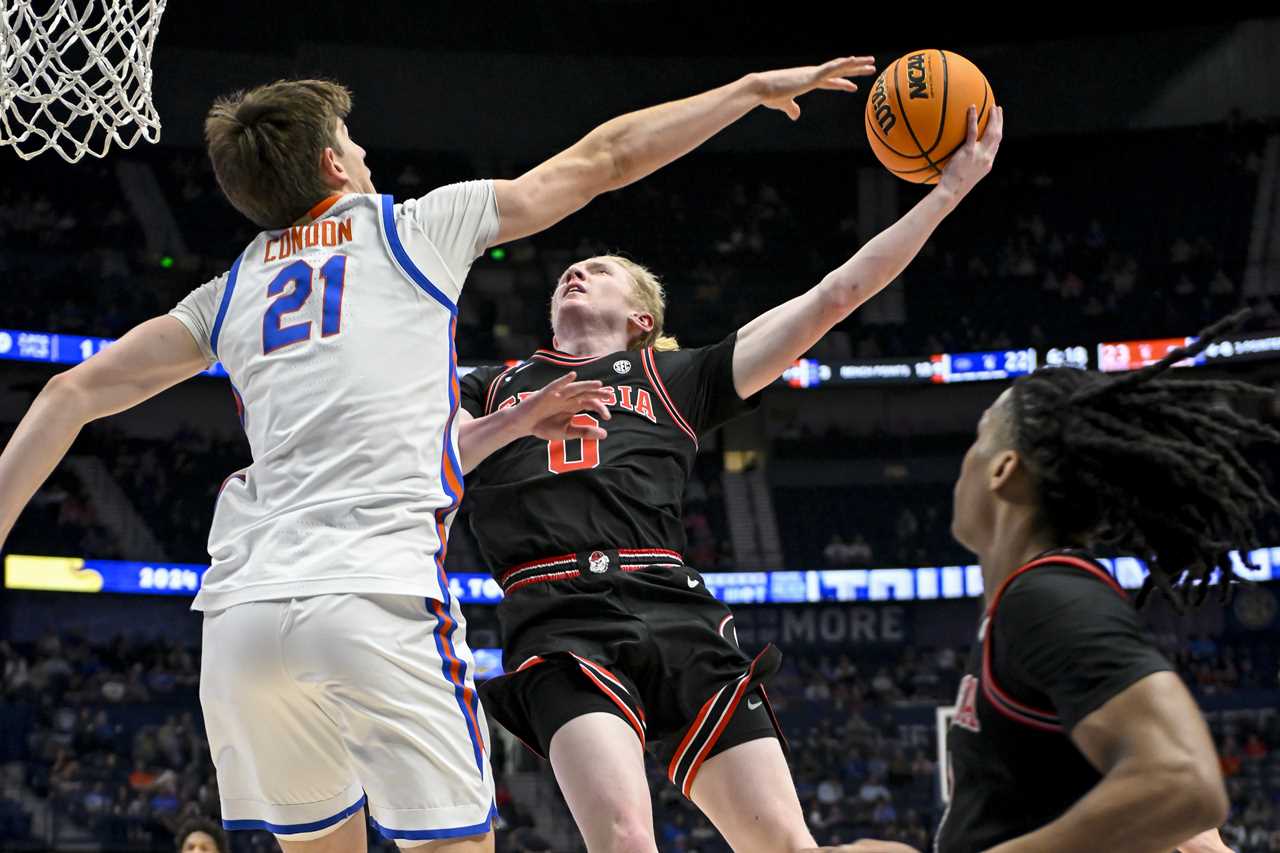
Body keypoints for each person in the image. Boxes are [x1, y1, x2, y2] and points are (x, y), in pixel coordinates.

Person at [0, 58, 875, 853]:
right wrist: (744, 92)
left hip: (237, 620)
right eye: (352, 139)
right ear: (335, 167)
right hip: (371, 597)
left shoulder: (224, 292)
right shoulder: (410, 226)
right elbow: (604, 159)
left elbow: (66, 394)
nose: (367, 150)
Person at [456, 105, 1002, 852]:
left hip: (670, 601)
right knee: (622, 838)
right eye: (572, 270)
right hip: (555, 614)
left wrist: (947, 193)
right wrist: (523, 417)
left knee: (787, 843)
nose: (578, 269)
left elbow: (835, 296)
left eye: (604, 270)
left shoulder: (676, 374)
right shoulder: (489, 385)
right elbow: (436, 460)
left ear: (643, 318)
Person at [814, 314, 1275, 853]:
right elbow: (1194, 839)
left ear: (1002, 470)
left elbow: (1185, 782)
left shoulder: (1047, 597)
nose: (961, 462)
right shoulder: (1031, 603)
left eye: (977, 438)